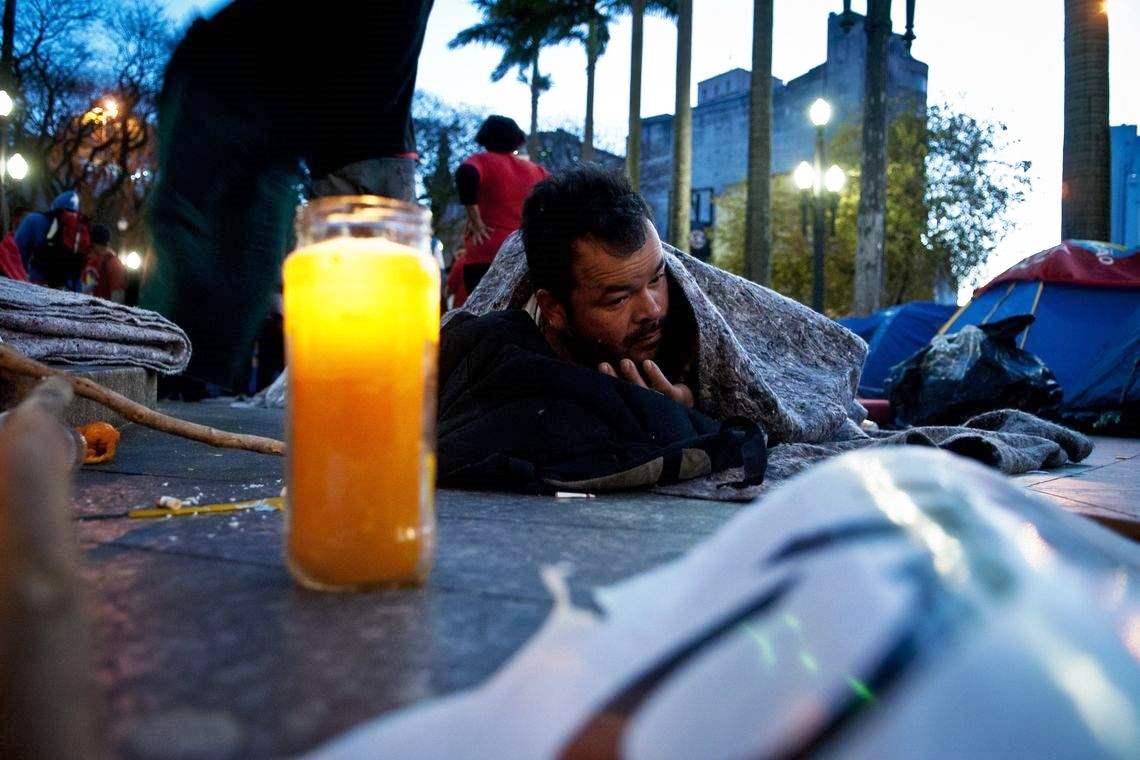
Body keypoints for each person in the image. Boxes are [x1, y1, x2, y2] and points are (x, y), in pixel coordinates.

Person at [142, 0, 434, 394]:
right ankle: (157, 377)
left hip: (291, 125)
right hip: (223, 83)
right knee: (195, 241)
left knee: (250, 263)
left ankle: (199, 382)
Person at [521, 166, 696, 407]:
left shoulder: (688, 314)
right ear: (554, 310)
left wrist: (687, 408)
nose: (653, 310)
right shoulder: (507, 377)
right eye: (619, 299)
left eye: (656, 279)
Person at [447, 115, 548, 307]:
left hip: (484, 251)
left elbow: (466, 174)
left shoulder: (481, 161)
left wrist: (475, 220)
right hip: (522, 256)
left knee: (480, 316)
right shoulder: (537, 171)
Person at [15, 191, 91, 290]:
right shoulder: (81, 230)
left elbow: (17, 251)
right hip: (67, 291)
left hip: (36, 285)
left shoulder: (34, 220)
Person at [80, 224, 127, 303]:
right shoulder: (91, 261)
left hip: (103, 311)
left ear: (94, 244)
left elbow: (118, 296)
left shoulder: (113, 264)